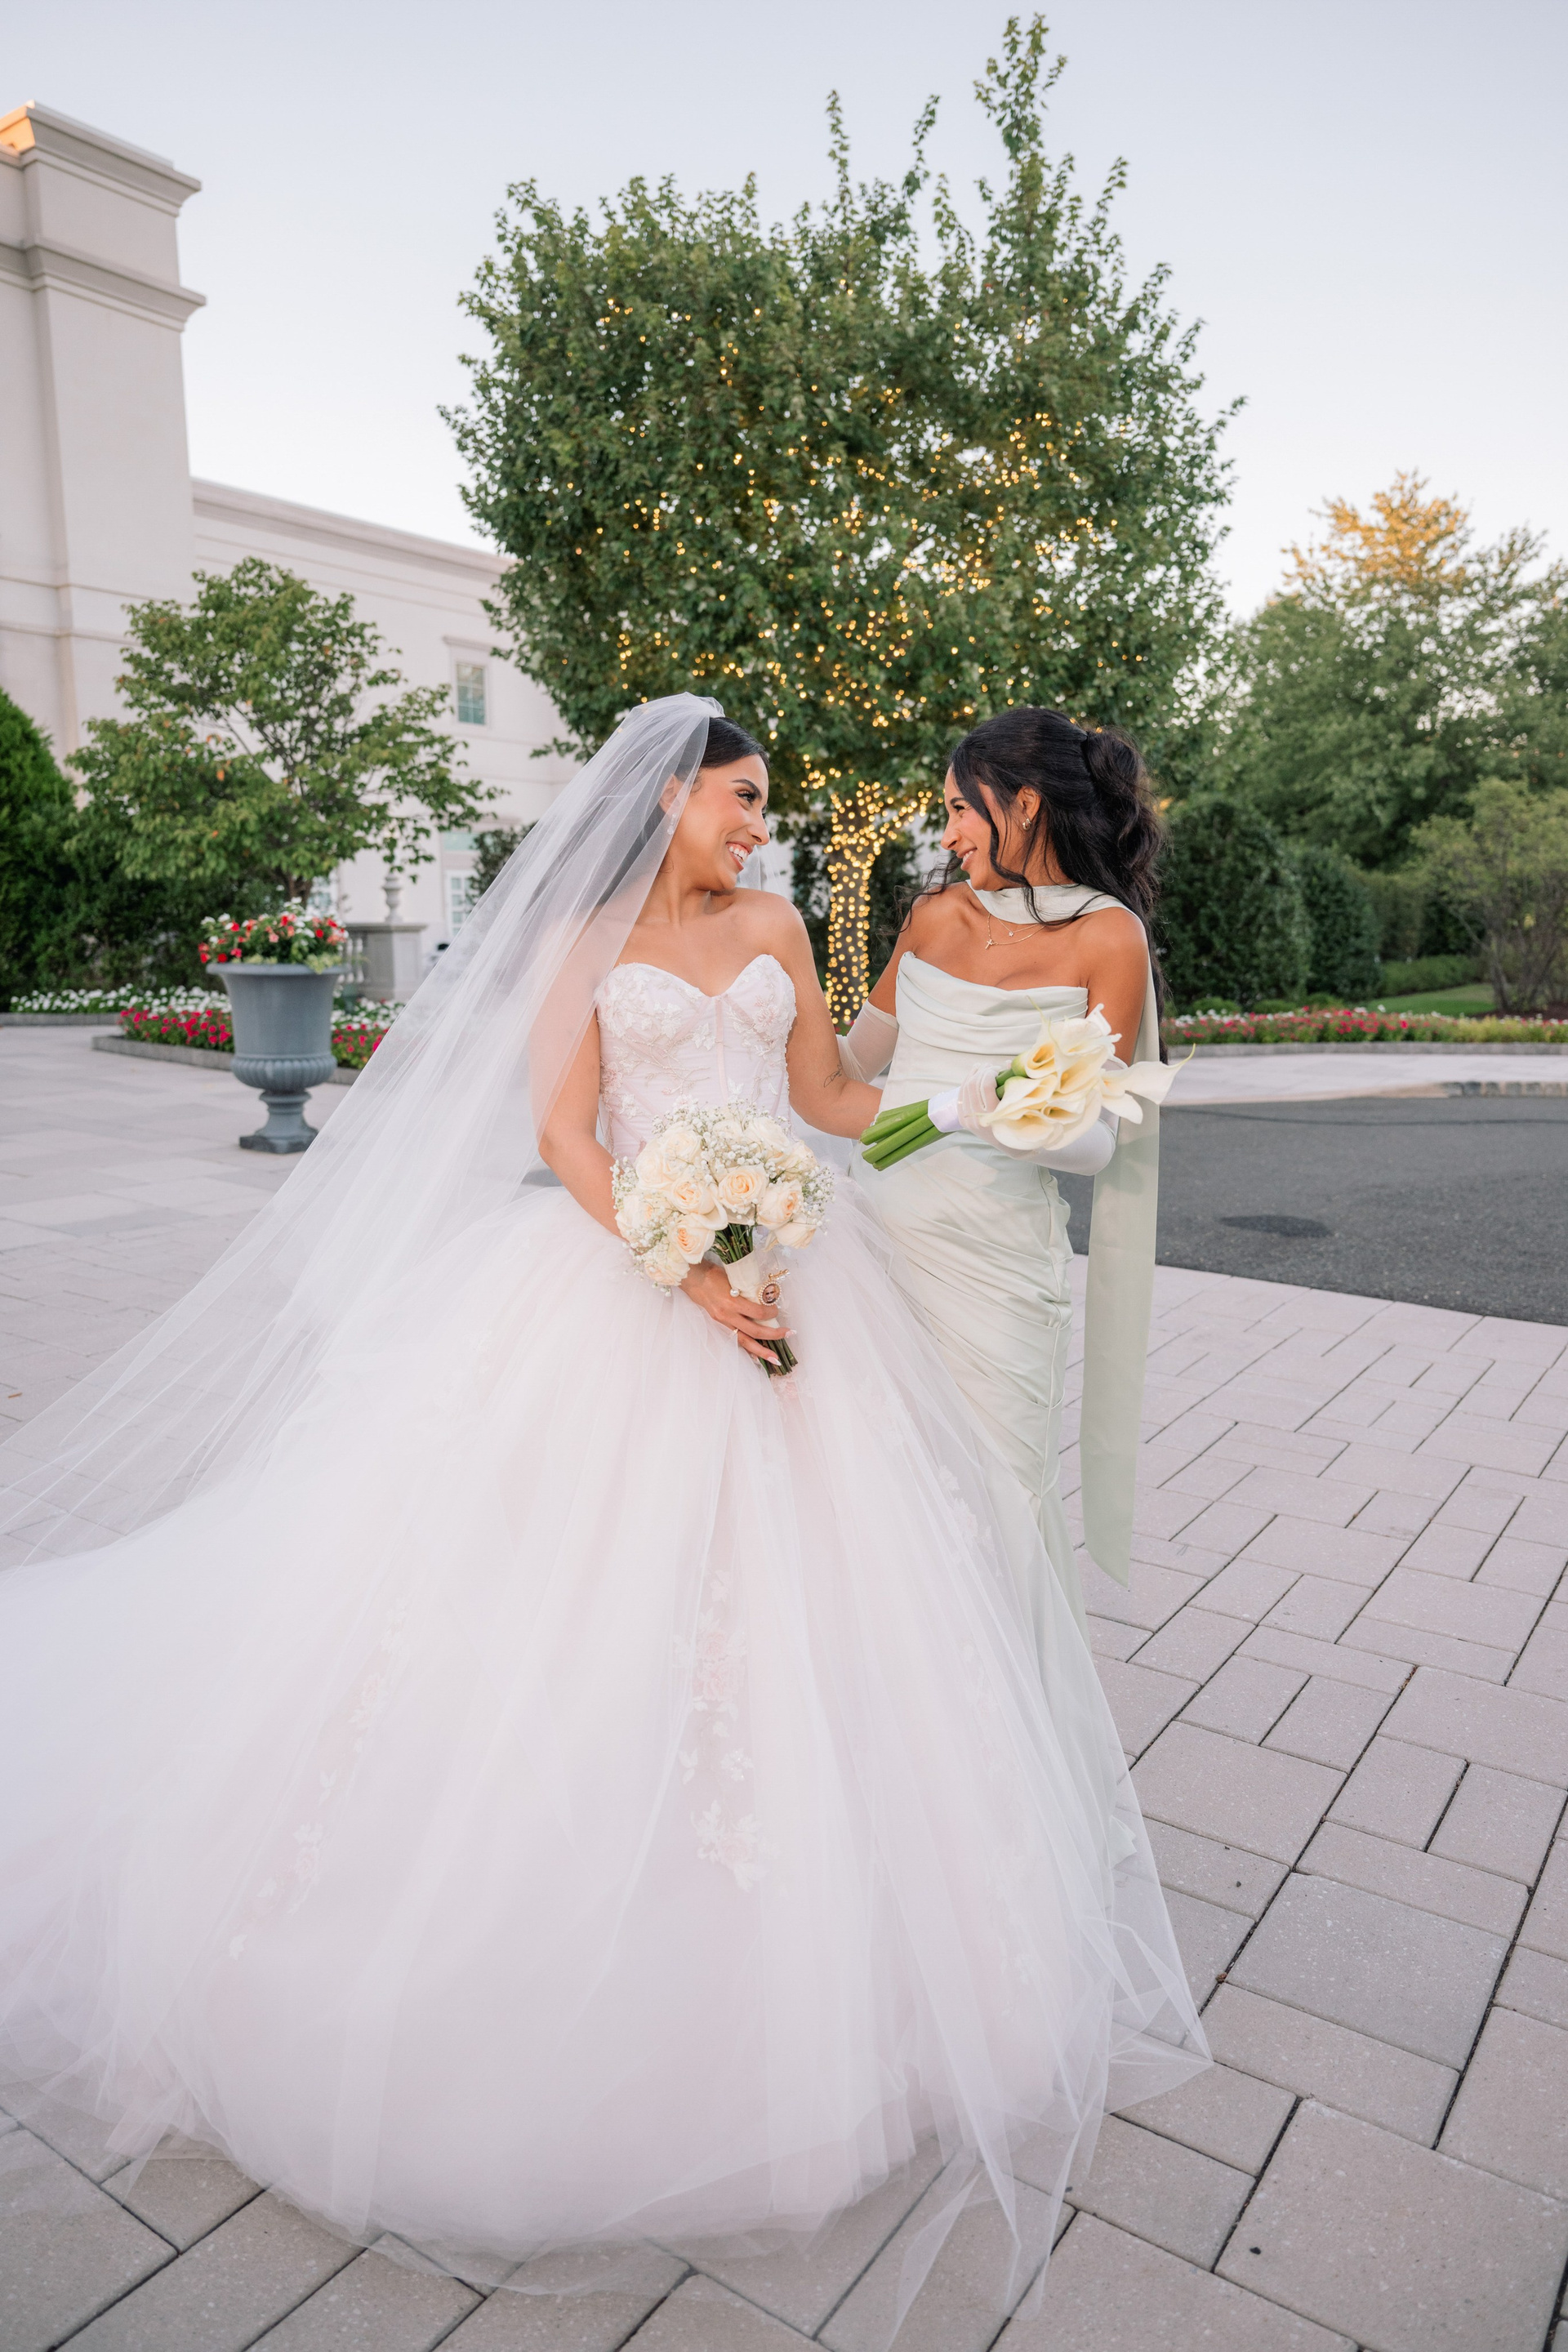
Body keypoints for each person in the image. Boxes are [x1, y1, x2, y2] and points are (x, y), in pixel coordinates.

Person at [0, 697, 1202, 2328]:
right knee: (555, 1604)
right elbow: (564, 1133)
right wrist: (681, 1261)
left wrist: (972, 1115)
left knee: (820, 1611)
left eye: (764, 801)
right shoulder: (577, 944)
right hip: (626, 1284)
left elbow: (830, 1101)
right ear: (667, 798)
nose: (762, 825)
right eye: (744, 797)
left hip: (796, 1276)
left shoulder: (779, 927)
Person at [841, 707, 1168, 1641]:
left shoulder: (1109, 937)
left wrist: (1004, 1120)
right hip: (879, 1244)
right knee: (879, 1488)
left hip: (997, 1263)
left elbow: (1099, 1143)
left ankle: (1008, 1708)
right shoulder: (932, 917)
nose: (947, 834)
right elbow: (854, 1065)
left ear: (1023, 804)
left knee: (997, 1490)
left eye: (958, 809)